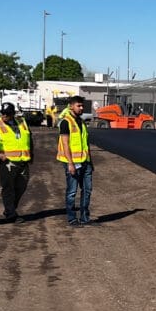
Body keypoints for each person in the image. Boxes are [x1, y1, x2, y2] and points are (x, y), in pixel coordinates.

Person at [0, 102, 33, 223]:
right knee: (8, 188)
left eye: (6, 114)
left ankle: (10, 208)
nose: (3, 116)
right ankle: (11, 213)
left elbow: (29, 138)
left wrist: (31, 154)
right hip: (7, 162)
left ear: (13, 114)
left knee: (22, 186)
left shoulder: (22, 122)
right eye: (2, 113)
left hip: (23, 161)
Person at [57, 95, 95, 226]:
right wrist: (70, 164)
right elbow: (65, 144)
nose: (81, 108)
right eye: (78, 105)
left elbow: (85, 143)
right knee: (72, 192)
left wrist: (90, 161)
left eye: (82, 105)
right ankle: (72, 218)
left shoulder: (81, 122)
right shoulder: (65, 122)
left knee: (87, 190)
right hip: (73, 162)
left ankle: (85, 217)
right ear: (71, 106)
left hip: (85, 162)